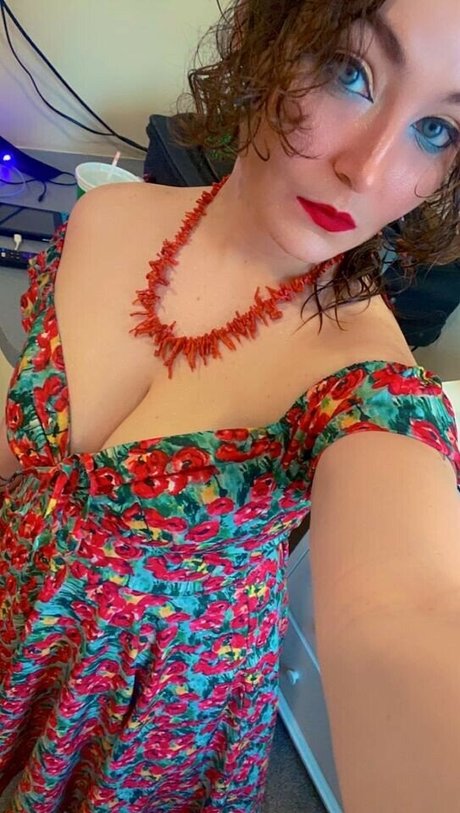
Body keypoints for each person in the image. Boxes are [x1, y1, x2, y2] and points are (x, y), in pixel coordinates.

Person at [0, 0, 459, 810]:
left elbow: (403, 610)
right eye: (350, 72)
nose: (368, 169)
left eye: (436, 130)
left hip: (146, 718)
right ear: (266, 36)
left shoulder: (367, 391)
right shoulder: (107, 214)